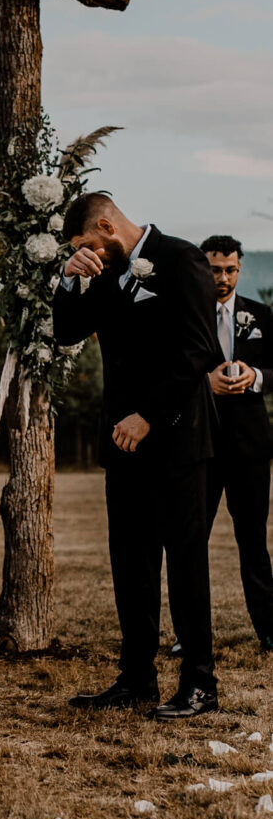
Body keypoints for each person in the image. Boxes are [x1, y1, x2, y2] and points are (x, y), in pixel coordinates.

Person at [53, 192, 222, 720]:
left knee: (186, 565)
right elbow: (65, 332)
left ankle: (199, 683)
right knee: (132, 564)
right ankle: (136, 679)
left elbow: (200, 350)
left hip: (177, 440)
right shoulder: (105, 271)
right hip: (122, 444)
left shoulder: (180, 258)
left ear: (107, 225)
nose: (90, 253)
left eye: (87, 244)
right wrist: (68, 277)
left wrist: (148, 415)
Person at [171, 235, 273, 656]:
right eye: (215, 270)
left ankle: (269, 628)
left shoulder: (261, 314)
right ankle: (188, 635)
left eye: (231, 269)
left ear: (239, 269)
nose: (224, 277)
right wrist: (203, 384)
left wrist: (257, 376)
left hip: (250, 448)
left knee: (253, 541)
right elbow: (168, 372)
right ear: (201, 269)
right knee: (190, 542)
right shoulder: (183, 314)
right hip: (200, 446)